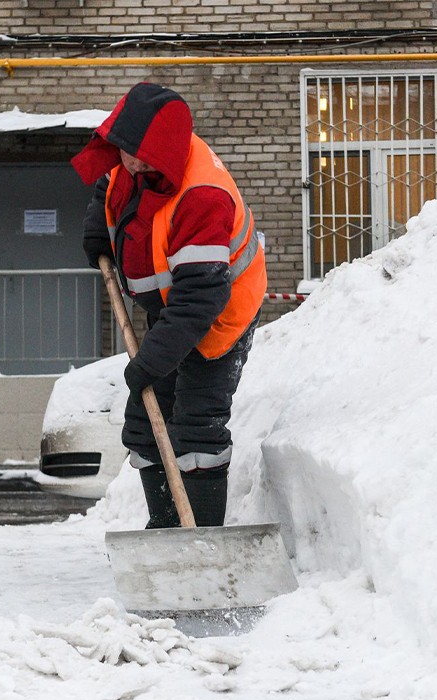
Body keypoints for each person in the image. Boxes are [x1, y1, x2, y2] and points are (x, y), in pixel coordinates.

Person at [71, 82, 267, 529]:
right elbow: (110, 186)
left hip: (219, 315)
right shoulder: (134, 159)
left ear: (165, 150)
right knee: (143, 426)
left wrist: (152, 362)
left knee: (196, 427)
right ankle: (167, 530)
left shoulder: (201, 194)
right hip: (172, 309)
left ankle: (200, 540)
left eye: (142, 157)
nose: (132, 163)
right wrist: (98, 233)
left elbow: (201, 299)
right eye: (127, 152)